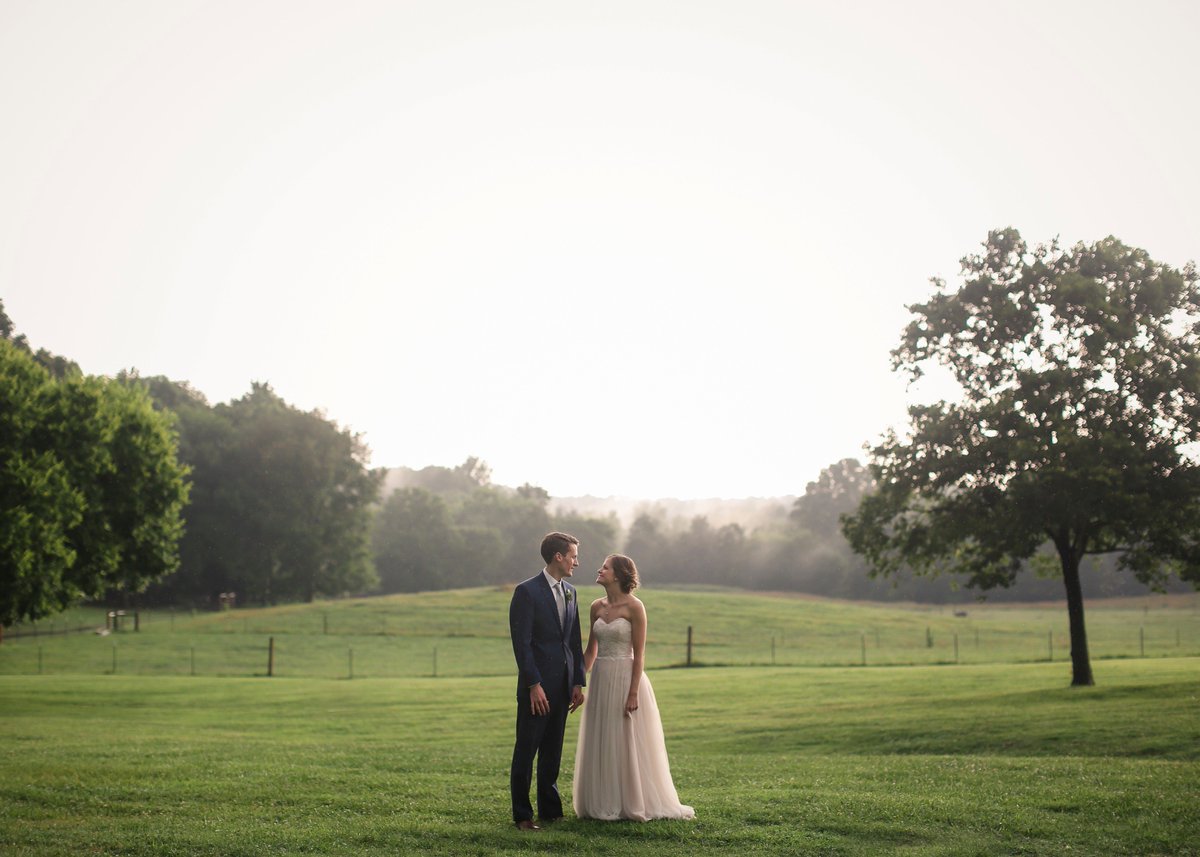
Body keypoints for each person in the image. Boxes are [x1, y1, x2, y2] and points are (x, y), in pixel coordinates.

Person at [572, 554, 694, 821]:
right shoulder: (595, 606)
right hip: (601, 679)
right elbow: (591, 651)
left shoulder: (635, 607)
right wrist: (577, 682)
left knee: (627, 740)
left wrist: (633, 693)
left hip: (627, 679)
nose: (599, 570)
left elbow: (639, 655)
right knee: (602, 738)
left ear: (618, 575)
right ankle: (603, 800)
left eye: (605, 567)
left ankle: (632, 801)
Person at [508, 532, 587, 831]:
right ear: (558, 556)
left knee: (553, 751)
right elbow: (522, 643)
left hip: (564, 684)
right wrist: (533, 684)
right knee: (527, 750)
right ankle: (522, 815)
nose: (576, 562)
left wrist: (578, 681)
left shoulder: (571, 592)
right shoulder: (526, 592)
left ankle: (551, 811)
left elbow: (574, 641)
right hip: (536, 689)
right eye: (573, 556)